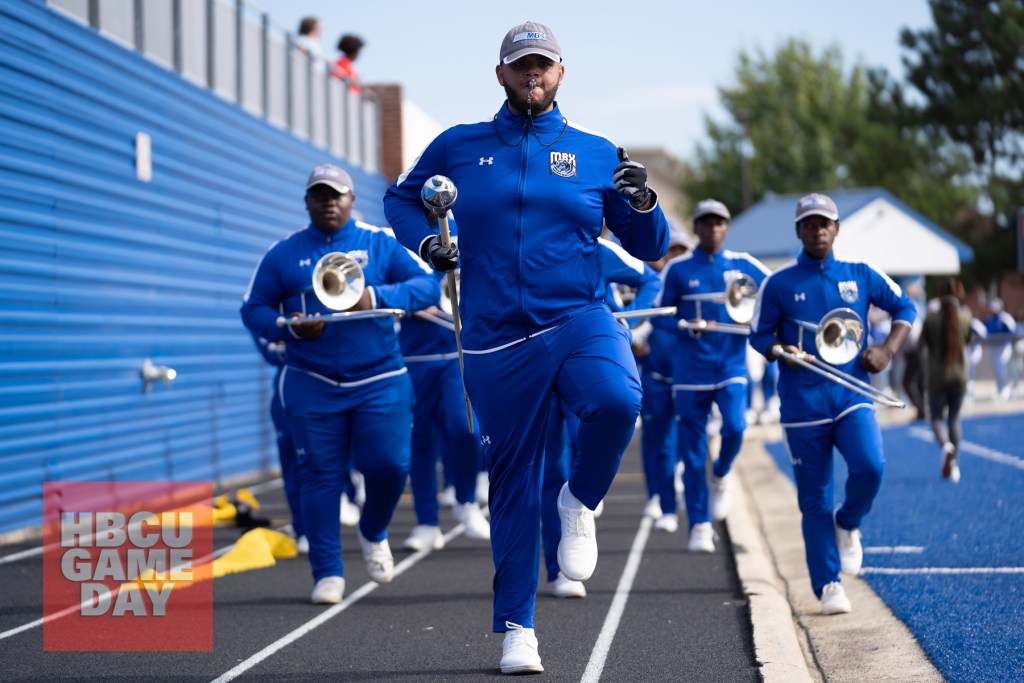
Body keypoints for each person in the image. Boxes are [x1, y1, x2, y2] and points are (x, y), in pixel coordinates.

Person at [383, 21, 669, 675]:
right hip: (493, 339)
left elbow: (652, 245)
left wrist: (645, 201)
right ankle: (518, 627)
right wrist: (426, 243)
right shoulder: (459, 146)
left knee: (619, 400)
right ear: (501, 75)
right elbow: (401, 198)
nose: (531, 74)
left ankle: (579, 501)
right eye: (520, 65)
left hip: (578, 316)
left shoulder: (597, 152)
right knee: (512, 483)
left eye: (542, 64)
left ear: (562, 72)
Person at [241, 164, 438, 605]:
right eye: (319, 195)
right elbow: (252, 309)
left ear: (351, 200)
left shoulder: (380, 241)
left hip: (380, 376)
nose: (328, 202)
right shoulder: (284, 253)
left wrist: (376, 297)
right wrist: (287, 326)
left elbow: (427, 287)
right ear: (307, 201)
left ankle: (373, 529)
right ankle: (327, 570)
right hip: (311, 379)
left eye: (337, 195)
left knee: (390, 466)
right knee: (319, 475)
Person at [750, 192, 915, 616]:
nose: (817, 230)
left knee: (870, 467)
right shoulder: (779, 283)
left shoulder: (861, 273)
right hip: (802, 403)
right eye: (809, 224)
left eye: (824, 223)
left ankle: (850, 522)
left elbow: (905, 306)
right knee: (814, 500)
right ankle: (828, 586)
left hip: (852, 394)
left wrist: (886, 352)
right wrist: (780, 349)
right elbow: (758, 334)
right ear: (798, 231)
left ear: (837, 229)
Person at [540, 236, 662, 599]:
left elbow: (650, 279)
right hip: (540, 362)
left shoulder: (596, 248)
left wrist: (629, 323)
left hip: (587, 359)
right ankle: (558, 569)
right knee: (551, 470)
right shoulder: (523, 239)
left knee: (592, 437)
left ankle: (584, 492)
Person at [650, 199, 770, 552]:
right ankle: (700, 524)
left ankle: (722, 474)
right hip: (689, 373)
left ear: (727, 228)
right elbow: (659, 314)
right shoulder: (678, 269)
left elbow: (775, 294)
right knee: (692, 453)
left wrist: (757, 320)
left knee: (736, 427)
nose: (712, 228)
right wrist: (685, 326)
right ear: (697, 227)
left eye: (719, 222)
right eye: (705, 222)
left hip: (731, 368)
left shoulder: (743, 264)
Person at [399, 249, 491, 551]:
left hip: (457, 354)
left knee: (467, 428)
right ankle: (427, 522)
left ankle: (465, 500)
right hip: (414, 356)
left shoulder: (462, 230)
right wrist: (407, 300)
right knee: (420, 440)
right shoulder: (398, 240)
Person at [631, 231, 692, 527]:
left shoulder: (692, 289)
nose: (676, 257)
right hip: (655, 376)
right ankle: (660, 498)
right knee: (657, 441)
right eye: (673, 251)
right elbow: (634, 323)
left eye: (683, 252)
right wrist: (634, 342)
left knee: (685, 440)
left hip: (687, 377)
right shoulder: (653, 285)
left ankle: (677, 491)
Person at [248, 334, 307, 553]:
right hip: (290, 395)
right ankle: (304, 528)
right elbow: (257, 323)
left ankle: (349, 496)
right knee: (294, 464)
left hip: (336, 387)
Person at [917, 277, 972, 483]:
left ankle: (946, 447)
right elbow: (968, 341)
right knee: (955, 419)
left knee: (937, 418)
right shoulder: (965, 317)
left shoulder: (931, 318)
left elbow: (921, 345)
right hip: (960, 376)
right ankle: (954, 464)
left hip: (937, 376)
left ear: (940, 294)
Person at [983, 298, 1018, 400]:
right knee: (996, 368)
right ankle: (1000, 388)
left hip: (1004, 346)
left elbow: (1014, 331)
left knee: (1002, 367)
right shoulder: (989, 319)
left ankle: (1006, 388)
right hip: (993, 346)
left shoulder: (1005, 318)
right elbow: (984, 331)